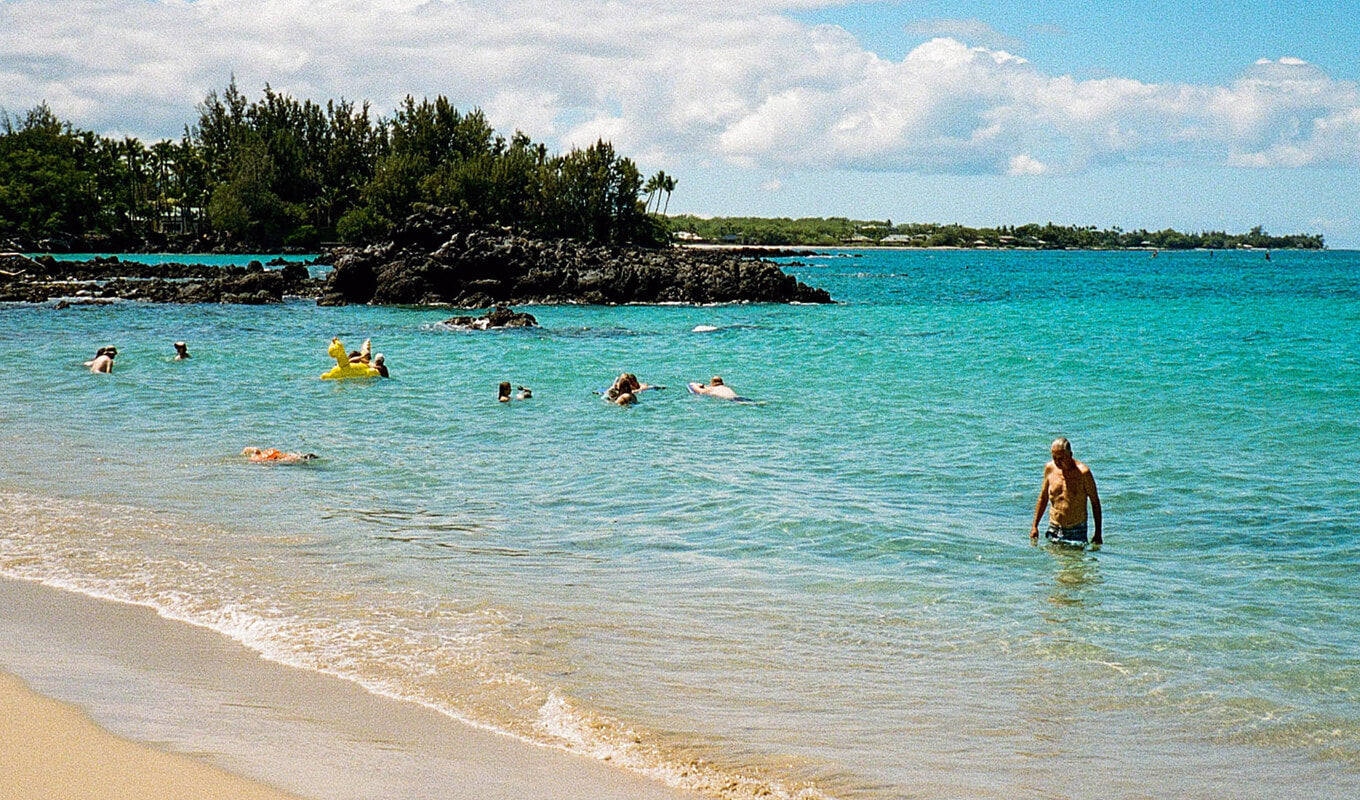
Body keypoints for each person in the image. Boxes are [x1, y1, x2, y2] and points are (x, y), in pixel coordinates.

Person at [1031, 437, 1102, 546]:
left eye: (1061, 458)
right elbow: (1043, 498)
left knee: (1075, 562)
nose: (1057, 462)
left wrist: (1098, 533)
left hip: (1076, 531)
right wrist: (1035, 526)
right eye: (1054, 458)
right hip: (1053, 529)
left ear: (1070, 455)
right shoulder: (1050, 469)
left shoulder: (1083, 473)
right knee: (1053, 562)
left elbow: (1095, 502)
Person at [241, 447, 317, 464]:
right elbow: (254, 449)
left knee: (292, 459)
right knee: (292, 457)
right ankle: (304, 458)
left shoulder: (256, 458)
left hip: (276, 457)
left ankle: (304, 458)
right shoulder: (268, 450)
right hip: (278, 455)